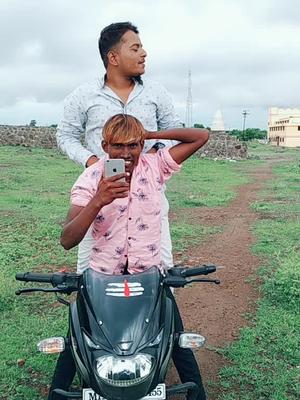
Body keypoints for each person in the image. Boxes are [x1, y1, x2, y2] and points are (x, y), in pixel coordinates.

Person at [60, 114, 209, 400]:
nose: (126, 154)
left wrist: (149, 133)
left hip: (150, 275)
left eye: (133, 145)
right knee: (79, 340)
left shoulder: (156, 167)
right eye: (118, 146)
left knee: (174, 337)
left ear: (142, 145)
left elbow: (200, 136)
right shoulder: (91, 178)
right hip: (103, 277)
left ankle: (197, 394)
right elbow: (68, 239)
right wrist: (99, 199)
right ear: (105, 146)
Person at [56, 21, 182, 274]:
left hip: (149, 197)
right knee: (89, 274)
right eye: (135, 48)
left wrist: (155, 150)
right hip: (100, 197)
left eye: (142, 48)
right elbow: (66, 135)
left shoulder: (156, 92)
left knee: (160, 272)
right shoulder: (84, 94)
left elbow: (174, 127)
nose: (144, 54)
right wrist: (92, 161)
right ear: (113, 57)